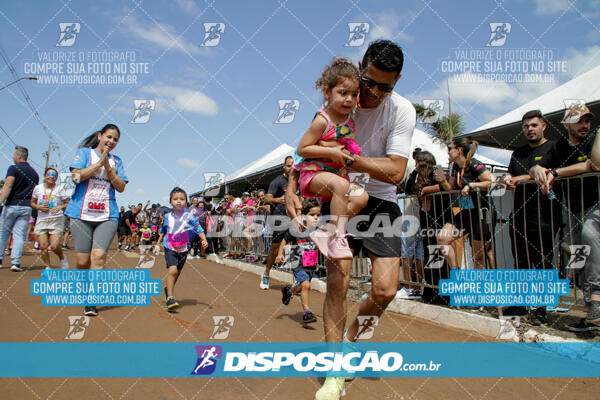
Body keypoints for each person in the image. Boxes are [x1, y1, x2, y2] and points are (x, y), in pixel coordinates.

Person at [285, 40, 414, 399]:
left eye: (385, 87)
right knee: (339, 283)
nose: (372, 92)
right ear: (361, 67)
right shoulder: (343, 97)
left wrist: (351, 160)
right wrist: (291, 187)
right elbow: (308, 146)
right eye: (368, 81)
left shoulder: (401, 110)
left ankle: (351, 341)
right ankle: (333, 371)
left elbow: (396, 172)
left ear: (397, 81)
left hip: (381, 202)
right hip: (341, 199)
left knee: (386, 290)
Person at [527, 105, 599, 331]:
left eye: (587, 120)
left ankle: (596, 297)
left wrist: (556, 172)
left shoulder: (594, 140)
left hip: (597, 205)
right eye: (579, 121)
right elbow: (538, 164)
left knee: (589, 234)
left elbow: (595, 164)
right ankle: (591, 315)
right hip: (575, 209)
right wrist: (537, 169)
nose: (584, 125)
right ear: (566, 124)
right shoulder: (559, 147)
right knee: (583, 257)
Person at [294, 58, 369, 260]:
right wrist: (331, 152)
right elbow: (302, 149)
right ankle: (337, 236)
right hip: (313, 175)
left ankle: (328, 231)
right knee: (342, 186)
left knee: (362, 196)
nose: (349, 99)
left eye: (354, 94)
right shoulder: (322, 120)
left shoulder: (350, 119)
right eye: (343, 93)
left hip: (337, 179)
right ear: (327, 92)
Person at [502, 110, 562, 325]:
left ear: (544, 126)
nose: (530, 129)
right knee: (521, 260)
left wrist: (522, 177)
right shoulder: (518, 152)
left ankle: (540, 309)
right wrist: (508, 179)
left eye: (534, 125)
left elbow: (555, 172)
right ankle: (520, 303)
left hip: (545, 213)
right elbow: (509, 174)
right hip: (519, 214)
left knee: (542, 261)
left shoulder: (554, 148)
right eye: (526, 126)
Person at [64, 124, 128, 317]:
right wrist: (98, 164)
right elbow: (76, 177)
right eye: (109, 137)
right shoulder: (85, 153)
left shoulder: (117, 161)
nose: (111, 142)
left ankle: (91, 301)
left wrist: (108, 168)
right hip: (80, 214)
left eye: (115, 139)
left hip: (107, 216)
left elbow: (121, 187)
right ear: (100, 136)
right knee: (83, 261)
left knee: (98, 258)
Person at [435, 138, 496, 269]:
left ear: (459, 150)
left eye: (450, 148)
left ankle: (481, 287)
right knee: (442, 238)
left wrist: (472, 185)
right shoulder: (455, 167)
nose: (448, 152)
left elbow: (493, 182)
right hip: (467, 211)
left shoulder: (474, 164)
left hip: (482, 212)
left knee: (479, 255)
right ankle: (457, 273)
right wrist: (442, 181)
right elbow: (451, 188)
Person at [155, 187, 207, 311]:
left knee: (176, 273)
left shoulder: (189, 217)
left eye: (182, 199)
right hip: (170, 247)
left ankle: (168, 290)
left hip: (184, 249)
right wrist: (157, 243)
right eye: (175, 199)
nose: (179, 201)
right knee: (172, 271)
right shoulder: (167, 217)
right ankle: (170, 299)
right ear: (170, 202)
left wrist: (203, 239)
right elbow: (163, 231)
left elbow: (198, 228)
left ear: (186, 203)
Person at [278, 198, 321, 324]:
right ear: (304, 215)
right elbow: (284, 240)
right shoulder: (297, 229)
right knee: (306, 285)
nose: (316, 218)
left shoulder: (318, 230)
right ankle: (307, 312)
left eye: (318, 215)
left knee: (301, 287)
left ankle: (289, 292)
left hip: (311, 264)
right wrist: (280, 254)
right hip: (298, 263)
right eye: (312, 215)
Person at [0, 146, 39, 271]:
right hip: (26, 207)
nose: (13, 157)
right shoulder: (35, 174)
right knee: (19, 235)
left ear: (19, 156)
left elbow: (8, 185)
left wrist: (0, 201)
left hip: (12, 205)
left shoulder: (13, 168)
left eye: (14, 155)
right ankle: (15, 263)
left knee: (3, 233)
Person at [261, 156, 294, 289]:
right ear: (284, 167)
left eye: (293, 165)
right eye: (289, 165)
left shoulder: (297, 181)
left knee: (296, 248)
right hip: (279, 219)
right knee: (275, 249)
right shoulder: (277, 181)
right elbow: (267, 199)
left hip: (293, 218)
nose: (291, 168)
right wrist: (278, 200)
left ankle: (296, 282)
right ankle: (266, 274)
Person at [30, 167, 70, 269]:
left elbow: (67, 203)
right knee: (43, 246)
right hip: (42, 219)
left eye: (54, 176)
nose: (51, 177)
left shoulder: (60, 188)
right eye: (49, 175)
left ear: (56, 178)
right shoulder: (38, 188)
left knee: (54, 246)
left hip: (56, 220)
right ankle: (48, 267)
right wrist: (38, 207)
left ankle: (62, 257)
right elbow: (32, 203)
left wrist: (60, 206)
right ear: (44, 176)